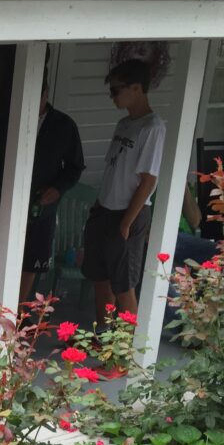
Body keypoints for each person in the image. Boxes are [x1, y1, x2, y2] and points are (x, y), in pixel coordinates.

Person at [0, 82, 85, 302]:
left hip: (42, 205)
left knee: (32, 262)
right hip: (8, 200)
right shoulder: (6, 121)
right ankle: (0, 304)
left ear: (45, 95)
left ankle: (15, 311)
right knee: (3, 256)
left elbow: (75, 167)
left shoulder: (63, 125)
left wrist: (57, 189)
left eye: (34, 98)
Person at [81, 59, 165, 328]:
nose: (112, 97)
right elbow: (113, 170)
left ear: (137, 88)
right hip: (104, 209)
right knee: (100, 277)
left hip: (127, 214)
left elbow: (148, 180)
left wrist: (127, 222)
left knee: (124, 285)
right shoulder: (124, 123)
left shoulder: (152, 128)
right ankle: (103, 337)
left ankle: (124, 353)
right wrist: (98, 206)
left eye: (116, 90)